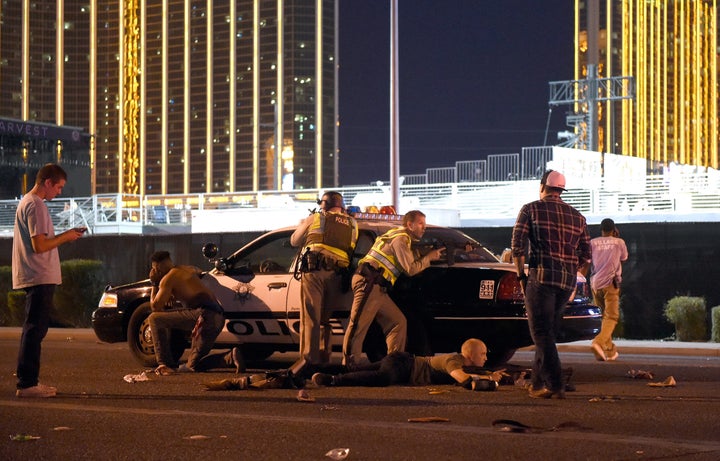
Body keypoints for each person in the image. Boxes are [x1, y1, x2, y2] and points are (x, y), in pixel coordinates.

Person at [511, 170, 590, 399]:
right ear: (562, 190)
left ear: (542, 186)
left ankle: (556, 384)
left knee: (540, 332)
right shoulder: (577, 216)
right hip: (566, 283)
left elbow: (518, 246)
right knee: (548, 333)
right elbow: (586, 254)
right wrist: (573, 272)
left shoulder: (530, 209)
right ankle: (536, 384)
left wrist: (520, 275)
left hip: (542, 277)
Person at [13, 164, 85, 398]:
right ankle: (27, 383)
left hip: (34, 274)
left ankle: (29, 381)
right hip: (38, 274)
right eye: (59, 187)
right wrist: (66, 237)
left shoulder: (27, 202)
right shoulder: (36, 205)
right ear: (47, 183)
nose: (60, 192)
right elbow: (40, 245)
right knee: (34, 330)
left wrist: (65, 235)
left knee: (34, 329)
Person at [342, 210, 444, 370]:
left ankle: (394, 364)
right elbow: (410, 269)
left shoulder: (399, 237)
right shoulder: (401, 238)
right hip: (369, 282)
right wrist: (429, 257)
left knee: (398, 322)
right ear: (409, 225)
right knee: (358, 325)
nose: (423, 228)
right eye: (420, 223)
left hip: (378, 287)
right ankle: (349, 366)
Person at [287, 191, 359, 378]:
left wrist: (302, 224)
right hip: (337, 275)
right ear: (341, 205)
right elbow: (350, 249)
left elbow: (294, 241)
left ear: (324, 204)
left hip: (315, 271)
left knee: (311, 318)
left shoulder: (316, 217)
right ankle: (324, 359)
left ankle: (308, 361)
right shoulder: (353, 223)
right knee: (325, 321)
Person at [147, 251, 238, 374]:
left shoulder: (168, 279)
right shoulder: (186, 269)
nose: (153, 272)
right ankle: (231, 357)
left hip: (204, 316)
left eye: (154, 269)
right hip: (218, 317)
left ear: (157, 268)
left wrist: (154, 283)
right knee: (192, 365)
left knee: (154, 318)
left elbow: (156, 307)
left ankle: (164, 364)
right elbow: (198, 270)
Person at [312, 338, 503, 389]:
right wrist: (489, 378)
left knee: (355, 369)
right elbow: (464, 380)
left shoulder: (463, 363)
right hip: (404, 365)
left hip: (402, 362)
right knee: (382, 378)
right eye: (483, 354)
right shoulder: (454, 361)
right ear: (469, 354)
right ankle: (332, 380)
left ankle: (313, 370)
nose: (486, 357)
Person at [589, 218, 628, 361]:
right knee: (612, 316)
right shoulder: (619, 242)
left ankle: (609, 351)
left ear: (601, 229)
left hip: (595, 283)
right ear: (614, 229)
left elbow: (588, 261)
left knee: (603, 317)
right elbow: (623, 258)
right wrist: (615, 239)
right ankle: (598, 343)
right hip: (610, 283)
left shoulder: (592, 243)